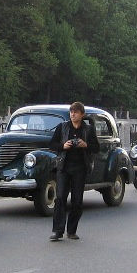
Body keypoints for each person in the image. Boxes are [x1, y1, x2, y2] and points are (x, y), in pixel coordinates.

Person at [48, 101, 99, 241]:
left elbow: (96, 148)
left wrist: (85, 145)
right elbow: (52, 144)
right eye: (71, 112)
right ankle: (57, 231)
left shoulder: (88, 130)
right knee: (60, 199)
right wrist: (63, 146)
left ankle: (71, 230)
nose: (72, 114)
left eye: (75, 112)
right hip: (64, 167)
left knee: (77, 201)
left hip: (80, 169)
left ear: (82, 115)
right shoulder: (63, 127)